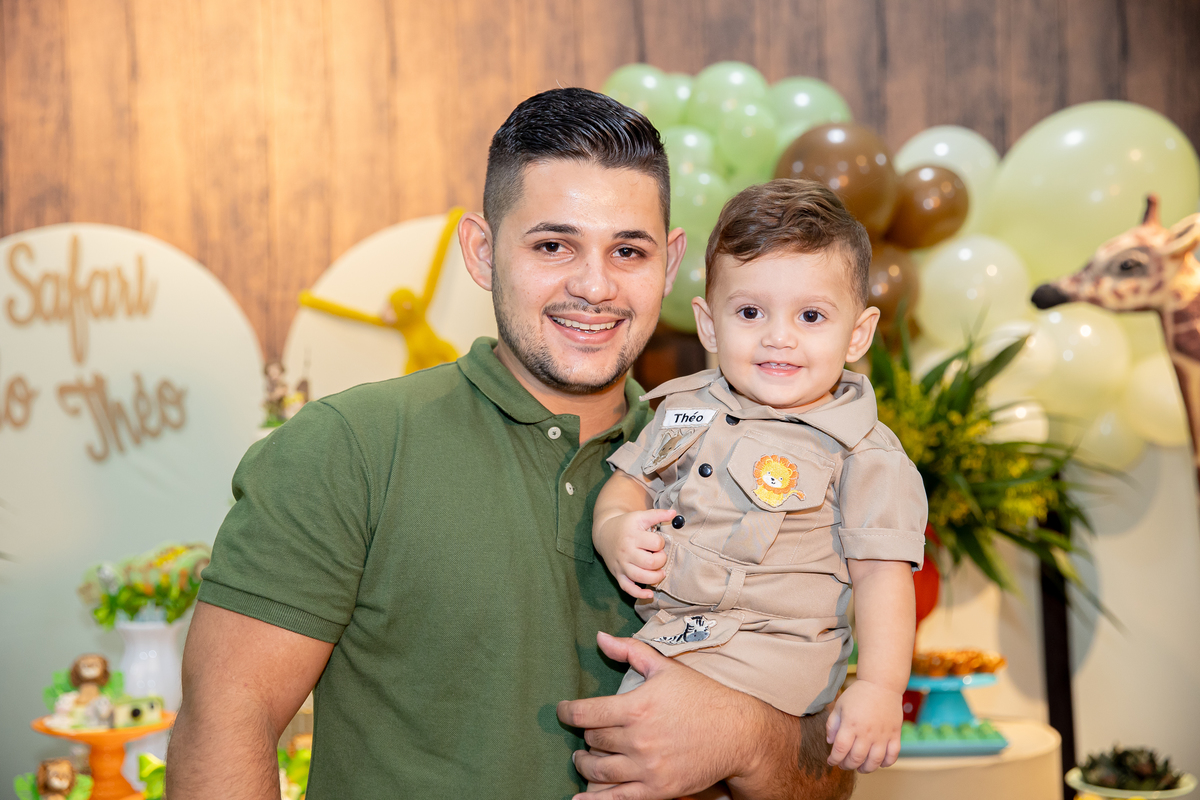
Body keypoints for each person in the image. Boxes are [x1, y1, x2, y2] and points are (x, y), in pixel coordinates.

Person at [166, 89, 852, 800]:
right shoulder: (348, 449)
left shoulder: (768, 464)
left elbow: (835, 768)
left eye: (628, 251)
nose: (595, 286)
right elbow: (224, 726)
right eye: (553, 246)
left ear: (670, 263)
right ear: (482, 251)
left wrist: (742, 736)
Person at [591, 180, 927, 790]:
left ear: (858, 333)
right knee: (619, 760)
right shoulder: (684, 409)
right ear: (709, 324)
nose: (779, 337)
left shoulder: (865, 454)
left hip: (772, 663)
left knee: (630, 765)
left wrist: (880, 687)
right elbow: (630, 480)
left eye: (811, 316)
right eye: (750, 313)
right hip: (672, 638)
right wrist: (615, 528)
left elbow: (883, 578)